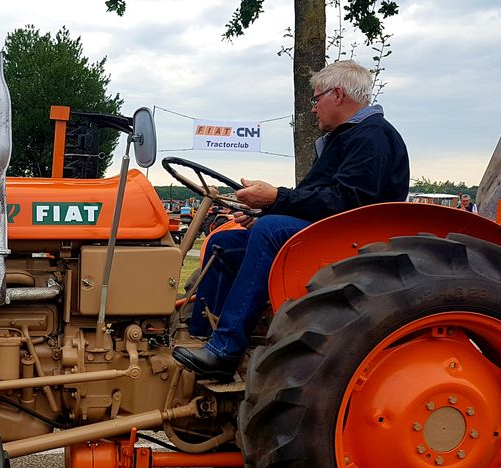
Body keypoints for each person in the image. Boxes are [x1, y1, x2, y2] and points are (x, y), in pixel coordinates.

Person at [172, 60, 410, 381]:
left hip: (356, 245)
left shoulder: (372, 137)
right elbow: (315, 199)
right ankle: (198, 335)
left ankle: (225, 348)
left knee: (271, 231)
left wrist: (275, 199)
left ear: (338, 95)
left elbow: (347, 202)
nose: (314, 108)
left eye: (317, 99)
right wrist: (263, 210)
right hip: (330, 234)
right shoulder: (343, 138)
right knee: (224, 242)